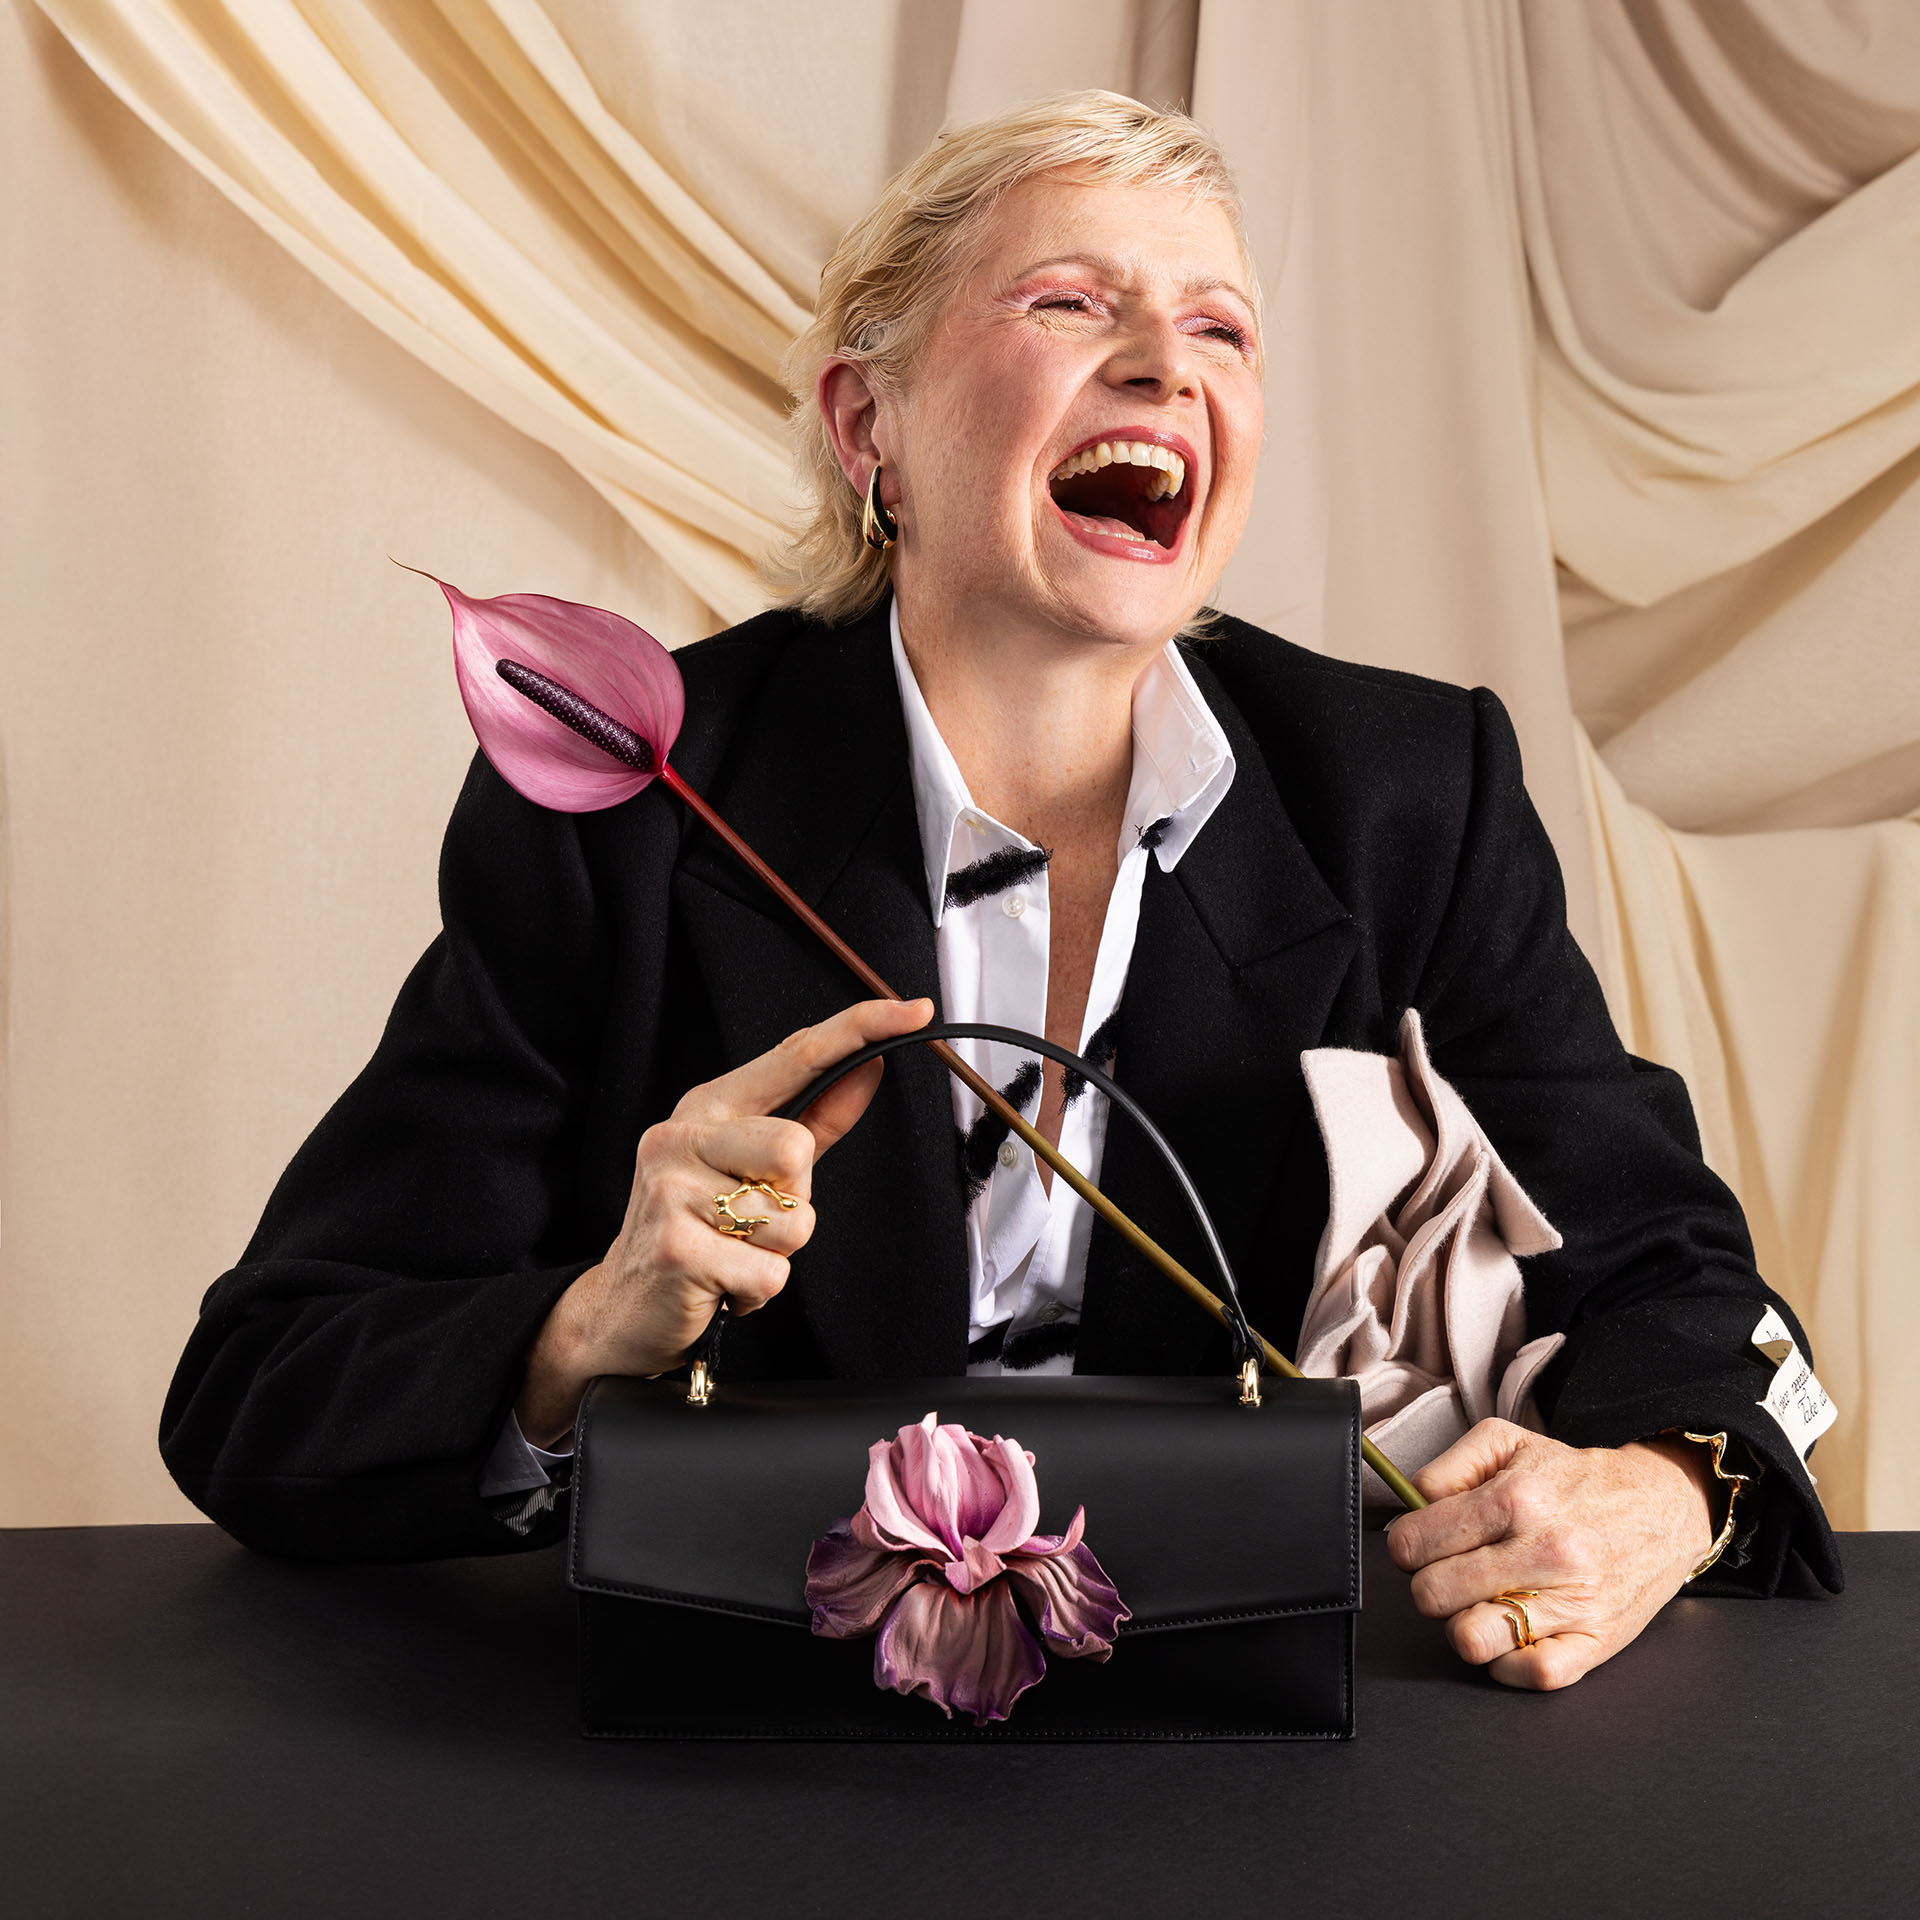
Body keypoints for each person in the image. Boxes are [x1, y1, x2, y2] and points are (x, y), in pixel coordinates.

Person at [162, 91, 1838, 1690]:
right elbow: (257, 1390)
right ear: (868, 425)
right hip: (733, 1753)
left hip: (1248, 1749)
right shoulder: (634, 826)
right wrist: (587, 1326)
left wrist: (1668, 1488)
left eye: (1222, 328)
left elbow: (1684, 1279)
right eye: (1070, 301)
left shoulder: (1410, 794)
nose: (1166, 363)